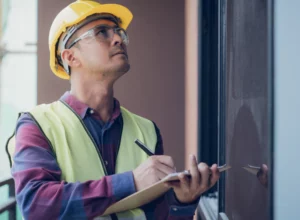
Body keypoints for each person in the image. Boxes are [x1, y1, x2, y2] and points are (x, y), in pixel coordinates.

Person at [8, 1, 220, 219]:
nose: (119, 38)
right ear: (70, 57)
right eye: (102, 32)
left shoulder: (147, 130)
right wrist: (132, 182)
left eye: (118, 32)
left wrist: (182, 201)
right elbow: (36, 205)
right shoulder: (37, 125)